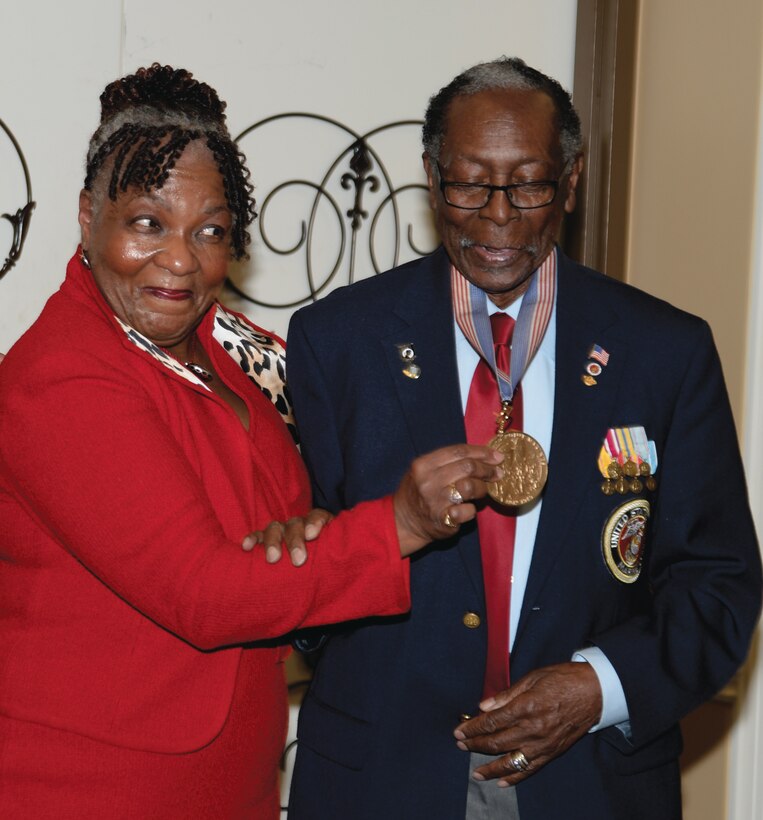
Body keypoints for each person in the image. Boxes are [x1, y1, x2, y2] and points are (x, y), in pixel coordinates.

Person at [0, 64, 505, 818]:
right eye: (148, 222)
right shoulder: (62, 377)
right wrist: (393, 525)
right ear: (86, 214)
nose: (180, 258)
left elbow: (276, 530)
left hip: (229, 778)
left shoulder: (227, 347)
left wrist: (306, 532)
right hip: (92, 786)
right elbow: (204, 593)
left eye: (209, 232)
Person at [286, 57, 762, 819]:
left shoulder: (663, 351)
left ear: (569, 182)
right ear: (431, 178)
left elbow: (717, 585)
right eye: (468, 182)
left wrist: (598, 685)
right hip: (382, 778)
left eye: (529, 183)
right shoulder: (336, 341)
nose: (496, 215)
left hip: (593, 782)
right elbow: (298, 573)